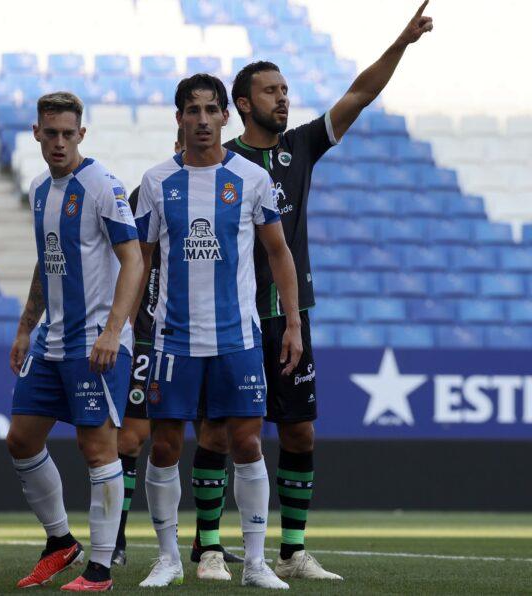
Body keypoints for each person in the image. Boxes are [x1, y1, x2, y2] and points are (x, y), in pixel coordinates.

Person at [224, 1, 434, 581]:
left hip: (291, 315)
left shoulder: (301, 148)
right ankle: (210, 549)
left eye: (286, 90)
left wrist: (401, 43)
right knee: (228, 431)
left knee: (299, 429)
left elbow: (359, 95)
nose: (282, 98)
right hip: (233, 316)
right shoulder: (220, 161)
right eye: (270, 91)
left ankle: (292, 551)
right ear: (244, 103)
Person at [134, 74, 301, 589]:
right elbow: (139, 261)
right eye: (192, 110)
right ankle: (166, 557)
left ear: (226, 116)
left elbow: (278, 251)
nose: (202, 120)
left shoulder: (251, 178)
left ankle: (253, 563)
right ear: (179, 119)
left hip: (238, 337)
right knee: (164, 447)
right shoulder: (156, 181)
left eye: (212, 110)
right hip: (174, 341)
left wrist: (292, 322)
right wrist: (123, 326)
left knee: (247, 443)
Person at [5, 91, 143, 592]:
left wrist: (112, 330)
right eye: (51, 132)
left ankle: (101, 570)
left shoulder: (104, 185)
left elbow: (134, 259)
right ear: (36, 133)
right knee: (21, 439)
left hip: (95, 343)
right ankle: (60, 541)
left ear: (81, 135)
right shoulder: (41, 188)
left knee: (97, 448)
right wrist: (26, 325)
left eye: (69, 133)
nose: (59, 141)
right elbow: (49, 262)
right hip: (51, 341)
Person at [113, 127, 244, 575]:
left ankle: (207, 543)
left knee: (216, 433)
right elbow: (129, 261)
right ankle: (116, 538)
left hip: (211, 333)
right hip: (153, 332)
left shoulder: (225, 192)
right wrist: (125, 324)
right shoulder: (148, 192)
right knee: (133, 435)